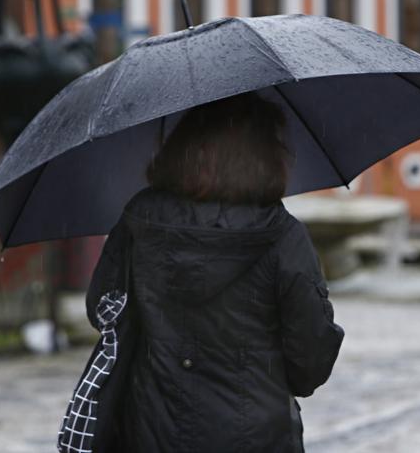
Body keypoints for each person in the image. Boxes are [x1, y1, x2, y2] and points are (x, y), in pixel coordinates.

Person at [85, 91, 345, 452]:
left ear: (183, 148)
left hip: (152, 432)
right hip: (254, 437)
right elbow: (310, 364)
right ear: (266, 157)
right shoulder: (284, 237)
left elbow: (101, 309)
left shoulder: (138, 221)